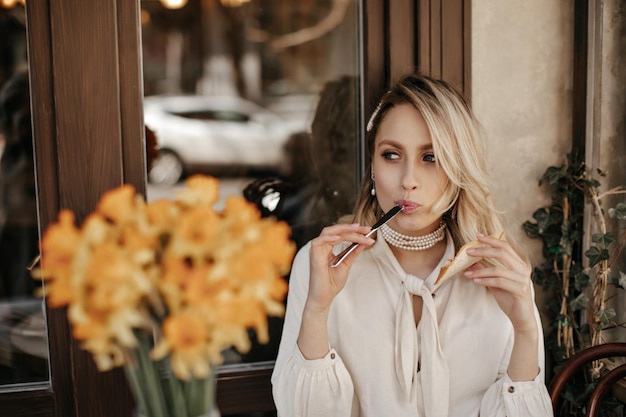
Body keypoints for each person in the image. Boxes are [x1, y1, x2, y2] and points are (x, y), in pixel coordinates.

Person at [271, 73, 554, 416]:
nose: (408, 181)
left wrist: (525, 329)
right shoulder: (321, 264)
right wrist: (317, 309)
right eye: (391, 155)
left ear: (460, 167)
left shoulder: (500, 274)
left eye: (430, 157)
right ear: (372, 166)